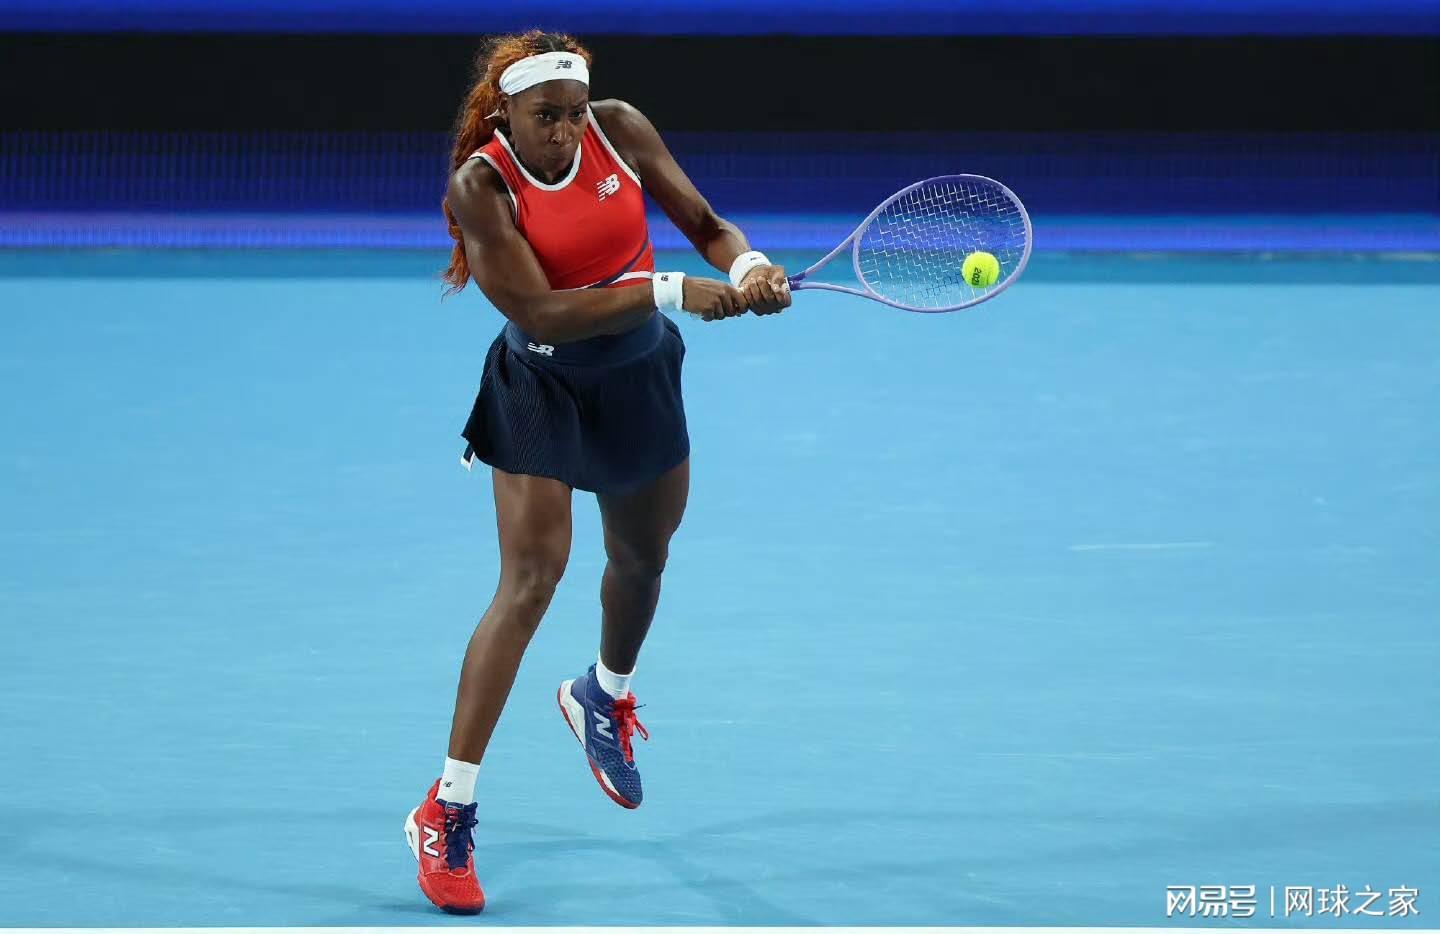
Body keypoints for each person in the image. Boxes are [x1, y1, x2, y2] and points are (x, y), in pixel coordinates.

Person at [401, 30, 792, 914]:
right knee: (531, 580)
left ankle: (601, 695)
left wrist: (747, 265)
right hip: (540, 386)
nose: (567, 132)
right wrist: (669, 289)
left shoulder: (620, 127)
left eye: (575, 114)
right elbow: (541, 309)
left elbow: (704, 225)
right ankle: (447, 808)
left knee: (644, 559)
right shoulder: (481, 186)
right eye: (547, 116)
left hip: (638, 375)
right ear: (506, 113)